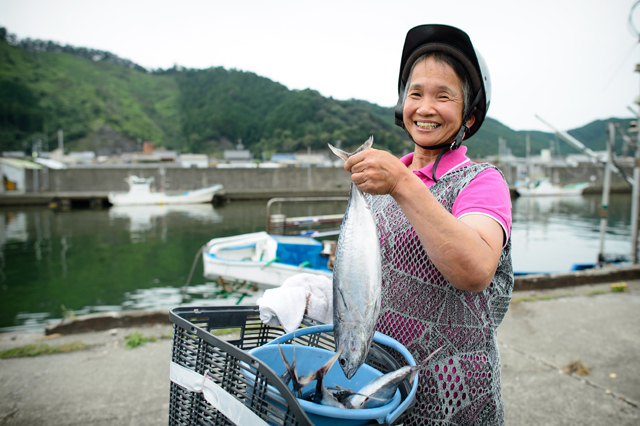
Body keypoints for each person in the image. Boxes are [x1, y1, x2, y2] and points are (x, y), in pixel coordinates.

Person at [341, 24, 513, 425]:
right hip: (377, 385)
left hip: (454, 396)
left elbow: (473, 270)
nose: (425, 106)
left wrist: (401, 183)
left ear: (469, 115)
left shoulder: (481, 182)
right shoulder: (377, 187)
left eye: (443, 95)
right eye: (415, 93)